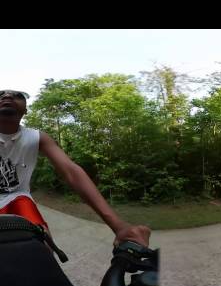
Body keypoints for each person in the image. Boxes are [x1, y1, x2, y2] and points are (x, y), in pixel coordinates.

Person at [0, 89, 150, 248]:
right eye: (1, 95)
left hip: (18, 198)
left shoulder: (36, 138)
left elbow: (71, 171)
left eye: (18, 96)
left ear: (26, 109)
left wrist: (119, 226)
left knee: (43, 247)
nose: (8, 96)